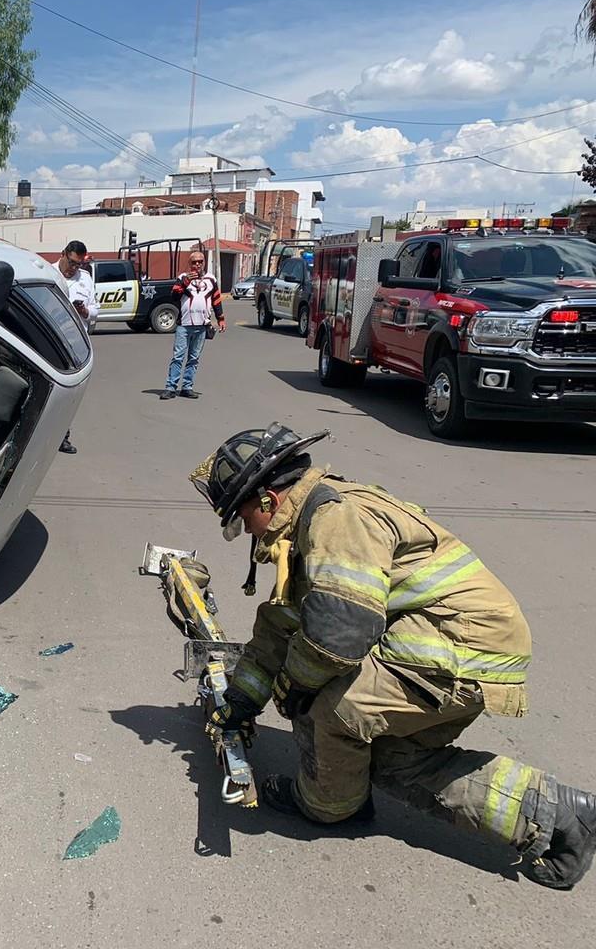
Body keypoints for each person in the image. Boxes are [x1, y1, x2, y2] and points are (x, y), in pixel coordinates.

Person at [191, 423, 595, 890]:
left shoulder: (335, 520)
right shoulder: (313, 519)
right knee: (394, 762)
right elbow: (284, 623)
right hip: (463, 647)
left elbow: (338, 633)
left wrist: (292, 688)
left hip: (457, 649)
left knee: (334, 708)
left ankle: (328, 807)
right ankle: (561, 815)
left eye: (243, 520)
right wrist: (243, 698)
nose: (248, 534)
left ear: (268, 499)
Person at [161, 250, 225, 400]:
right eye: (194, 262)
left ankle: (187, 387)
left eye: (200, 261)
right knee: (178, 357)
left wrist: (221, 318)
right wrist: (185, 283)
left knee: (194, 358)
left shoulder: (211, 279)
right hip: (184, 325)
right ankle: (171, 387)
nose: (197, 265)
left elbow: (216, 300)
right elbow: (174, 296)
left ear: (204, 263)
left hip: (202, 325)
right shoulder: (182, 278)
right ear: (189, 264)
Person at [56, 240, 97, 454]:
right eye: (72, 263)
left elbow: (95, 309)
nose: (74, 268)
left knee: (70, 393)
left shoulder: (86, 280)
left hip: (74, 344)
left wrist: (85, 312)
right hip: (50, 340)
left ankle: (63, 436)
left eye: (78, 265)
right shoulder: (47, 273)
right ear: (63, 254)